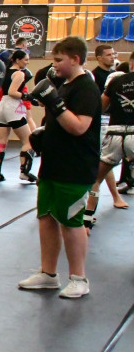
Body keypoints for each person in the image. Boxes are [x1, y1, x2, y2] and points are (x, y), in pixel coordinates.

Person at [20, 37, 101, 299]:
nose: (53, 65)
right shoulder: (64, 85)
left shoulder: (86, 87)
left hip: (75, 168)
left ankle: (79, 278)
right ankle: (48, 274)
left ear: (75, 59)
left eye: (58, 60)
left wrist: (54, 102)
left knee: (71, 222)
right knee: (46, 218)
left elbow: (79, 127)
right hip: (53, 164)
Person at [86, 65, 134, 224]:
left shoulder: (117, 80)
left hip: (114, 133)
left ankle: (87, 217)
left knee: (96, 178)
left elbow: (100, 107)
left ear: (131, 65)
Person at [88, 45, 128, 207]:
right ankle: (113, 197)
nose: (112, 57)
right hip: (101, 120)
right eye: (109, 55)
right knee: (105, 159)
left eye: (114, 54)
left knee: (107, 160)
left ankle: (115, 196)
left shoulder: (117, 76)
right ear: (99, 58)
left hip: (116, 121)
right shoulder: (94, 76)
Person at [0, 49, 37, 183]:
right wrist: (27, 96)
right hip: (12, 106)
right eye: (26, 60)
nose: (27, 62)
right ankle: (24, 172)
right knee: (29, 141)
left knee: (1, 141)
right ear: (17, 60)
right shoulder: (19, 74)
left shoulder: (5, 72)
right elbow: (12, 92)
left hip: (2, 106)